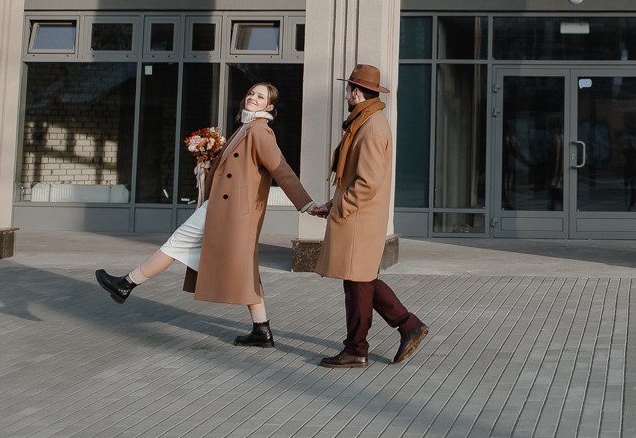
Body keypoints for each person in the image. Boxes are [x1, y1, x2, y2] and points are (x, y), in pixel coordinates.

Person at [94, 83, 317, 348]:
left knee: (176, 243)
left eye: (260, 96)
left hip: (229, 211)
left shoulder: (259, 131)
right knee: (245, 268)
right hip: (225, 208)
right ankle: (261, 329)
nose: (252, 98)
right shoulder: (246, 127)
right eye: (251, 93)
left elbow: (282, 169)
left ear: (269, 106)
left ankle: (127, 284)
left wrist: (306, 204)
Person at [309, 64, 429, 369]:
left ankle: (357, 348)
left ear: (357, 93)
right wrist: (332, 204)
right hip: (357, 217)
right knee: (360, 282)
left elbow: (367, 182)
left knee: (358, 285)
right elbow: (354, 178)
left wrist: (340, 208)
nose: (346, 94)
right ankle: (407, 326)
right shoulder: (365, 122)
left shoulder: (371, 127)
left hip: (358, 220)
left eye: (349, 89)